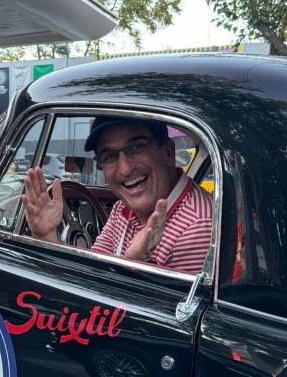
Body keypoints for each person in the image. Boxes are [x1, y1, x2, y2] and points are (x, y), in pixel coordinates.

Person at [22, 116, 215, 274]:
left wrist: (133, 265)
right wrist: (48, 237)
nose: (125, 169)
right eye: (110, 156)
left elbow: (160, 311)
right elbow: (94, 272)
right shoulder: (123, 208)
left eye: (136, 148)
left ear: (167, 153)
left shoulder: (197, 227)